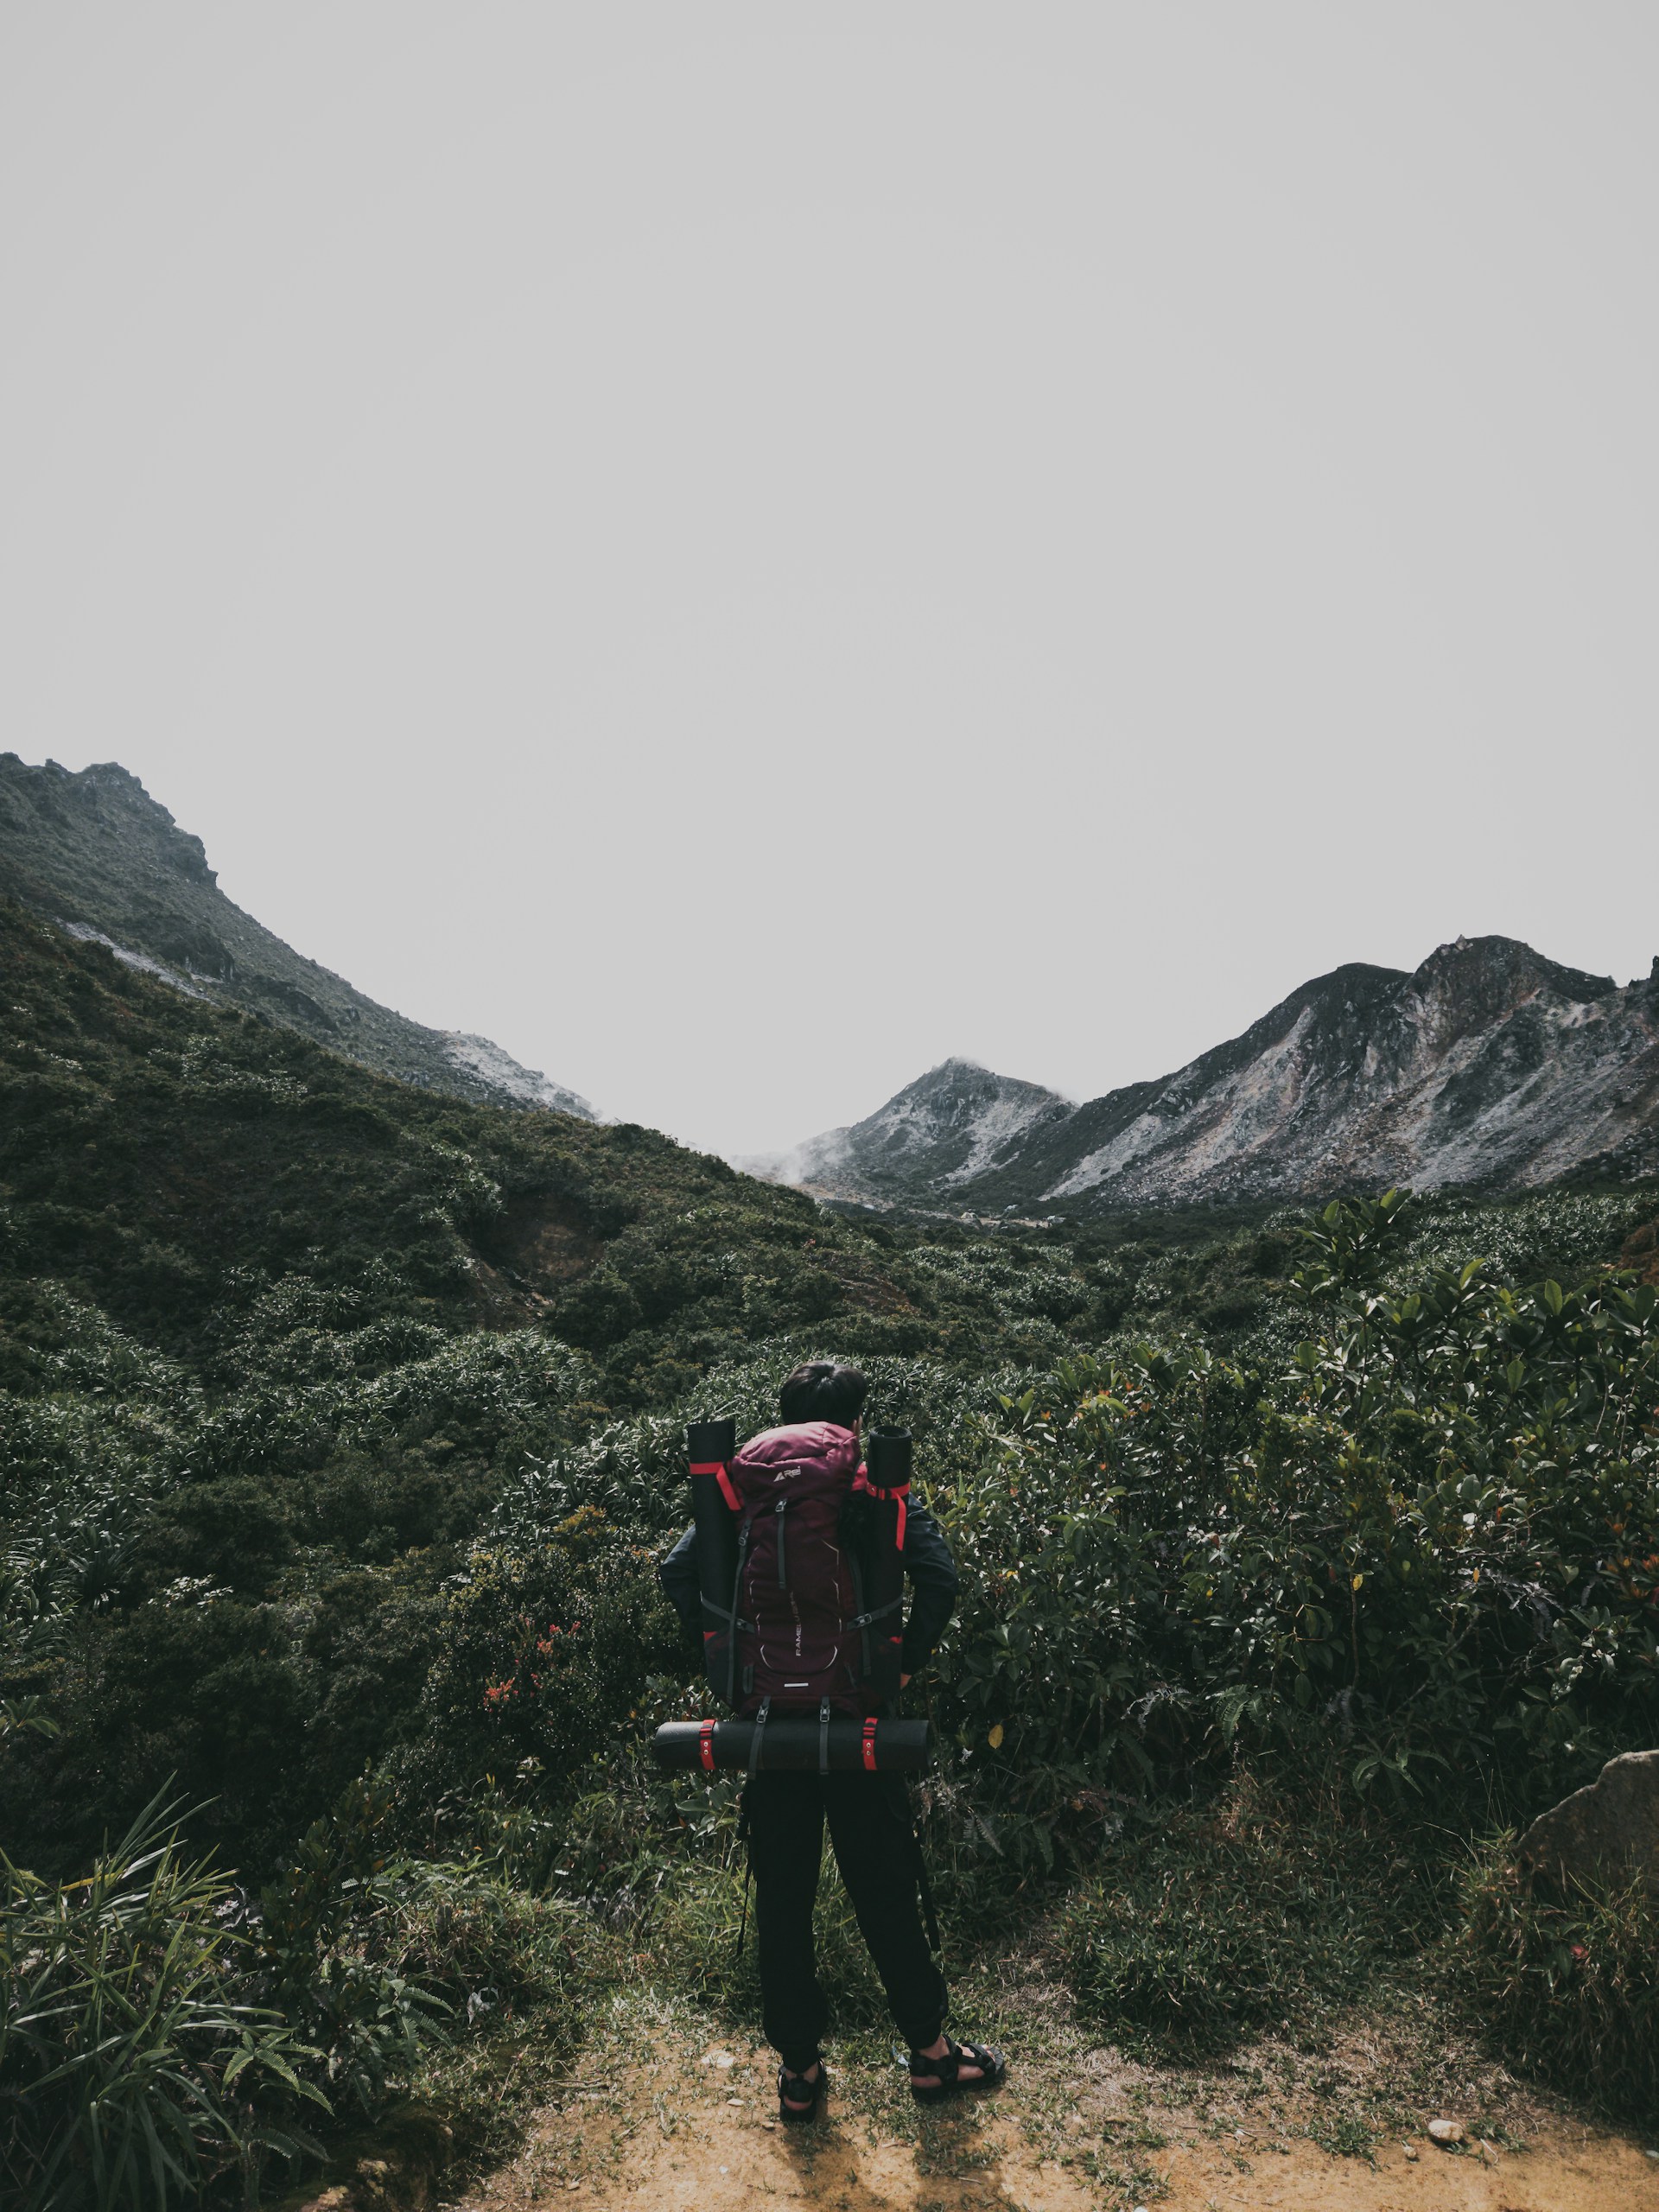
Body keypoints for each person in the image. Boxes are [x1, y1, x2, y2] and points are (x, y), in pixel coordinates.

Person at [658, 1358, 1007, 2121]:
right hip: (857, 1724)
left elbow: (679, 1572)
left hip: (766, 1731)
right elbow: (939, 1580)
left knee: (783, 1901)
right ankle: (931, 2058)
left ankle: (799, 2074)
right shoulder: (866, 1483)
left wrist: (733, 1663)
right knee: (884, 1890)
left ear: (782, 1414)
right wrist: (899, 1667)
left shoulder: (747, 1485)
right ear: (853, 1422)